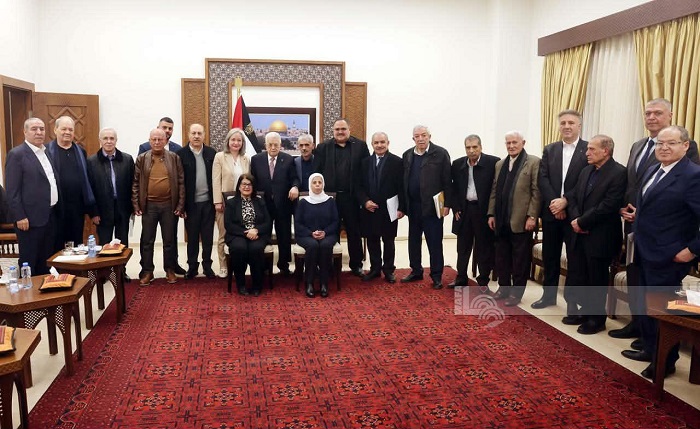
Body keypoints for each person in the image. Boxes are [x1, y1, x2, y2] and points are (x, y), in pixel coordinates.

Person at [614, 98, 700, 346]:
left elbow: (682, 204)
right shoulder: (650, 161)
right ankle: (646, 342)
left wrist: (692, 250)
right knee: (643, 296)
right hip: (642, 243)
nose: (664, 148)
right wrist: (635, 213)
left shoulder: (692, 172)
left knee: (662, 305)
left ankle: (662, 356)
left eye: (671, 143)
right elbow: (646, 193)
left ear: (685, 146)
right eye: (660, 144)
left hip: (669, 250)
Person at [563, 135, 626, 334]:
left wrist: (582, 222)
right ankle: (584, 312)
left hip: (601, 236)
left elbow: (609, 205)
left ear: (605, 151)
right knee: (581, 275)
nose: (587, 153)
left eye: (591, 149)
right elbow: (573, 197)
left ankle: (597, 319)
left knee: (596, 279)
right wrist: (576, 219)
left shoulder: (619, 173)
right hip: (579, 233)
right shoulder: (586, 171)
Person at [534, 110, 588, 309]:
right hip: (551, 212)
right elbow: (543, 178)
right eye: (563, 123)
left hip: (575, 214)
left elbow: (585, 180)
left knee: (574, 258)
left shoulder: (588, 149)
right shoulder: (550, 149)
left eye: (571, 123)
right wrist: (555, 204)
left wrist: (565, 201)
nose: (566, 126)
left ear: (579, 126)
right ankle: (548, 296)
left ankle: (572, 302)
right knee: (550, 256)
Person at [488, 131, 541, 306]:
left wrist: (532, 216)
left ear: (523, 143)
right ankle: (503, 288)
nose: (511, 146)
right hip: (501, 219)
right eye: (508, 143)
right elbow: (494, 191)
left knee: (520, 259)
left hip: (521, 220)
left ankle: (516, 293)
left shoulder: (533, 162)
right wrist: (491, 214)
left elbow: (536, 192)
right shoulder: (499, 164)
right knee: (501, 257)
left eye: (514, 142)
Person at [313, 119, 369, 276]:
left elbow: (366, 172)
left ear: (349, 129)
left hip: (352, 198)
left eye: (343, 128)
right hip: (330, 199)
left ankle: (356, 265)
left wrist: (364, 197)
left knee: (354, 232)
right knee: (331, 231)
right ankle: (330, 265)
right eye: (337, 129)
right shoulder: (323, 147)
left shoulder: (360, 146)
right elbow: (316, 173)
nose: (340, 132)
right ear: (333, 131)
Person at [5, 118, 60, 275]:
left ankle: (45, 288)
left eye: (42, 129)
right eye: (34, 129)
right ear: (25, 131)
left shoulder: (46, 152)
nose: (39, 132)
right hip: (29, 220)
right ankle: (29, 290)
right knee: (30, 261)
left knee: (46, 260)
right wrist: (19, 216)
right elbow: (12, 190)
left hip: (49, 215)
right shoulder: (17, 154)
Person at [132, 128, 185, 286]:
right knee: (147, 241)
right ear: (149, 141)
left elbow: (181, 183)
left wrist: (180, 204)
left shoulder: (174, 158)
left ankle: (169, 269)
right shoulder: (142, 158)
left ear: (165, 141)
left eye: (160, 139)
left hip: (169, 205)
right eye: (153, 139)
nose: (156, 142)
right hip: (149, 206)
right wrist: (136, 204)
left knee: (169, 240)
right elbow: (135, 183)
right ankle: (147, 271)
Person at [401, 125, 451, 289]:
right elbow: (403, 182)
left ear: (429, 136)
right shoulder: (407, 155)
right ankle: (416, 271)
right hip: (413, 206)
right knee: (414, 242)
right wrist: (403, 206)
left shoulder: (440, 153)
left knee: (434, 243)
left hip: (433, 208)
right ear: (413, 138)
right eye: (417, 136)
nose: (421, 138)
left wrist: (447, 204)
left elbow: (447, 181)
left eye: (424, 135)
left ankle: (436, 276)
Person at [448, 134, 498, 289]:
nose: (471, 150)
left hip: (483, 211)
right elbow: (453, 188)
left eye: (475, 147)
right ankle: (461, 277)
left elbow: (496, 190)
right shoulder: (457, 164)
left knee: (484, 247)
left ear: (481, 147)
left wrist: (492, 213)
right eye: (468, 147)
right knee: (462, 246)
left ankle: (483, 282)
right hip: (464, 210)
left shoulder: (493, 163)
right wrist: (455, 207)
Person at [356, 132, 406, 283]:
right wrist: (365, 201)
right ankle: (375, 269)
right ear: (372, 144)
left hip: (389, 209)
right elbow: (358, 185)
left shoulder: (397, 162)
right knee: (372, 240)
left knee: (389, 241)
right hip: (370, 209)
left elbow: (402, 186)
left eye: (382, 142)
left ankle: (389, 270)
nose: (379, 145)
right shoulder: (364, 162)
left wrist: (402, 208)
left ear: (388, 143)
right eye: (376, 142)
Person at [250, 132, 299, 275]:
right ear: (265, 145)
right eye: (270, 145)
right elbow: (252, 181)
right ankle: (265, 267)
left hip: (283, 204)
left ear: (280, 145)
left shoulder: (288, 159)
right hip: (263, 205)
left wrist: (295, 187)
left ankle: (284, 265)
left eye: (276, 145)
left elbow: (294, 178)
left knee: (284, 236)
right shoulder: (256, 159)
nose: (273, 147)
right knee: (263, 235)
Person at [45, 116, 97, 247]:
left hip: (76, 208)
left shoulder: (81, 152)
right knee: (56, 245)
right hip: (55, 208)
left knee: (76, 244)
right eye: (64, 129)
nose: (67, 132)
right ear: (55, 130)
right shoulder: (46, 152)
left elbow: (87, 179)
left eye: (70, 129)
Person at [178, 123, 217, 279]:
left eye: (199, 133)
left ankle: (207, 266)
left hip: (208, 203)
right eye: (193, 133)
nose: (196, 136)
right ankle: (192, 267)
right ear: (188, 135)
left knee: (208, 237)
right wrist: (181, 206)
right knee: (192, 238)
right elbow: (178, 182)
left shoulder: (211, 153)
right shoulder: (180, 154)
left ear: (204, 135)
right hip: (191, 205)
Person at [86, 128, 135, 248]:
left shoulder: (127, 160)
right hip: (102, 211)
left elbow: (133, 185)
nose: (109, 141)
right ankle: (105, 262)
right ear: (100, 141)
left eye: (112, 138)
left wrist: (133, 208)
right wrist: (93, 213)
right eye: (105, 138)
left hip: (123, 209)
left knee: (122, 245)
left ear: (116, 140)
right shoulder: (91, 162)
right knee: (104, 245)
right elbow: (89, 189)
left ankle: (122, 262)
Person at [225, 174, 272, 296]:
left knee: (256, 248)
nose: (246, 187)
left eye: (249, 184)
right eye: (244, 184)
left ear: (253, 186)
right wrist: (246, 233)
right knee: (239, 248)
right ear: (239, 187)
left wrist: (256, 230)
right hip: (237, 234)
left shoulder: (260, 201)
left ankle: (257, 285)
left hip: (257, 234)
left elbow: (268, 222)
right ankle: (241, 285)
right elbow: (228, 225)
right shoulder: (231, 203)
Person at [212, 128, 250, 278]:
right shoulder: (220, 157)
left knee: (239, 234)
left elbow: (248, 181)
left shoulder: (246, 158)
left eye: (239, 140)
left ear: (242, 143)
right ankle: (223, 266)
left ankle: (238, 265)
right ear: (228, 141)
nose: (236, 143)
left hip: (242, 203)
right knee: (223, 234)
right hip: (224, 203)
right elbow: (216, 181)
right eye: (233, 140)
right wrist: (217, 201)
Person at [295, 173, 339, 298]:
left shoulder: (330, 201)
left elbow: (336, 221)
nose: (317, 185)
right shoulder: (303, 202)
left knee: (325, 245)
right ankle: (309, 283)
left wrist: (325, 232)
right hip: (306, 235)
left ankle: (324, 283)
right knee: (313, 246)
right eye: (314, 182)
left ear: (323, 184)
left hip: (327, 234)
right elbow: (298, 223)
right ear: (310, 185)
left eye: (320, 182)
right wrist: (311, 233)